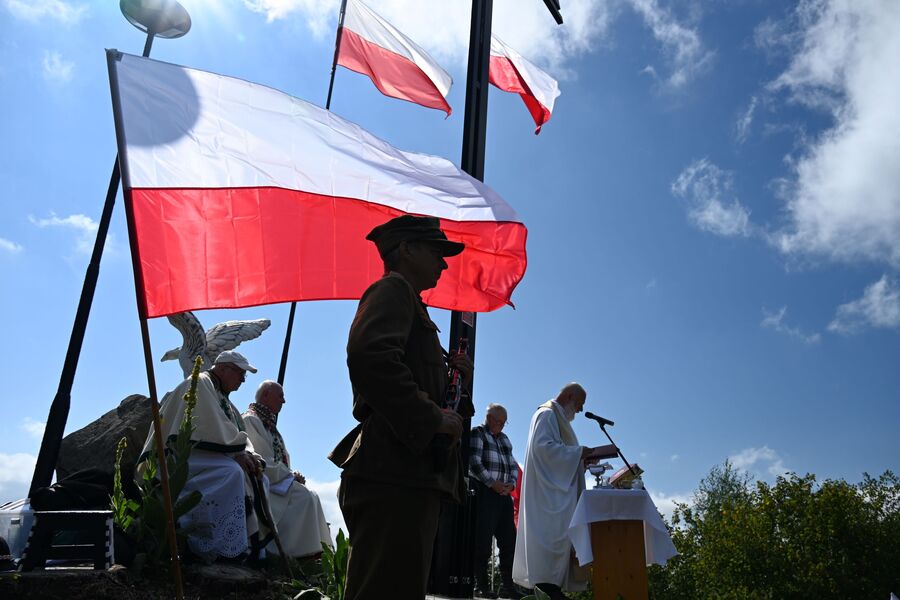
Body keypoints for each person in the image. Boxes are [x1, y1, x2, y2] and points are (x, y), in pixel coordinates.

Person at [329, 214, 473, 600]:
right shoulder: (393, 289)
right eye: (436, 251)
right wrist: (431, 417)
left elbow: (425, 389)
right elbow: (370, 356)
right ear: (407, 249)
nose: (443, 263)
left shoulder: (411, 302)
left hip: (407, 473)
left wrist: (457, 385)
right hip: (394, 472)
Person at [137, 350, 267, 562]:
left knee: (256, 476)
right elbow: (209, 427)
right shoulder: (200, 383)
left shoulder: (224, 399)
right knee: (232, 472)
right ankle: (217, 545)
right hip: (178, 456)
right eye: (240, 373)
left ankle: (248, 546)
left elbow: (236, 434)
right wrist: (236, 454)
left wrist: (249, 454)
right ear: (223, 368)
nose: (243, 380)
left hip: (202, 453)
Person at [512, 383, 617, 600]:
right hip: (547, 496)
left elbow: (557, 454)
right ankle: (547, 590)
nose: (580, 410)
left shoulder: (556, 417)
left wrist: (581, 460)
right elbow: (543, 450)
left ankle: (552, 590)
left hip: (554, 492)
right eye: (579, 404)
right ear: (569, 396)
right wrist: (578, 453)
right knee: (550, 539)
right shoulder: (546, 415)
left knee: (559, 541)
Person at [243, 380, 333, 558]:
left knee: (311, 495)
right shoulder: (251, 420)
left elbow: (279, 460)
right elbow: (262, 459)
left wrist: (291, 475)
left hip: (277, 480)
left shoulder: (269, 425)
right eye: (280, 396)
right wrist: (289, 475)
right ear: (266, 395)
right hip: (263, 481)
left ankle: (315, 551)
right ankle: (296, 552)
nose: (283, 401)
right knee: (305, 497)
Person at [470, 404, 523, 600]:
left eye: (504, 423)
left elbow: (513, 466)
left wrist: (511, 484)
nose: (501, 426)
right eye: (499, 422)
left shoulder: (505, 439)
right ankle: (480, 586)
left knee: (509, 542)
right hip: (485, 493)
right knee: (482, 542)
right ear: (489, 418)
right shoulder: (477, 433)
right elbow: (474, 462)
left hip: (504, 496)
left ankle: (508, 586)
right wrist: (493, 484)